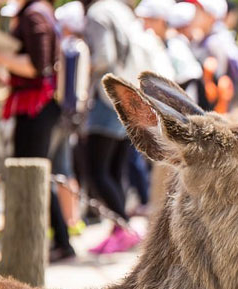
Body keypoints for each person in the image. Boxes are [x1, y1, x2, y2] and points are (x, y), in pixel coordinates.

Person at [0, 0, 76, 261]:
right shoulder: (38, 11)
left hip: (37, 107)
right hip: (36, 106)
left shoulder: (35, 13)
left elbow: (37, 67)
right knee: (34, 173)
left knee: (32, 174)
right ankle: (57, 242)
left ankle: (51, 245)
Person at [83, 0, 143, 254]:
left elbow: (105, 57)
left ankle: (124, 228)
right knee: (115, 170)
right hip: (128, 96)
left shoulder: (98, 12)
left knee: (96, 170)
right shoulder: (121, 9)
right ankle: (121, 229)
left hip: (107, 99)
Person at [53, 0, 89, 236]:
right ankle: (72, 218)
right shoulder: (82, 46)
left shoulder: (70, 47)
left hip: (65, 115)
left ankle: (68, 219)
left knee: (62, 167)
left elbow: (65, 90)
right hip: (77, 113)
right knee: (67, 167)